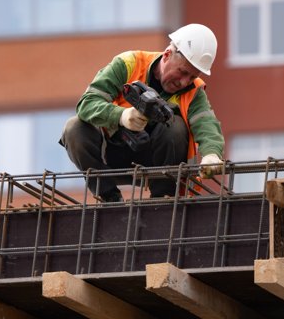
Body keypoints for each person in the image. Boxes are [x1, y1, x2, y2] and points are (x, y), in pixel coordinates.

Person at [60, 23, 225, 202]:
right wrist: (121, 116)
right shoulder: (129, 64)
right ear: (168, 55)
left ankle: (161, 200)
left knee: (175, 126)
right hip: (110, 155)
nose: (184, 82)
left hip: (155, 165)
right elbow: (87, 103)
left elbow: (206, 124)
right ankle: (109, 198)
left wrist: (211, 154)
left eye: (192, 76)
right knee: (73, 128)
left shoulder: (194, 91)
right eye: (182, 72)